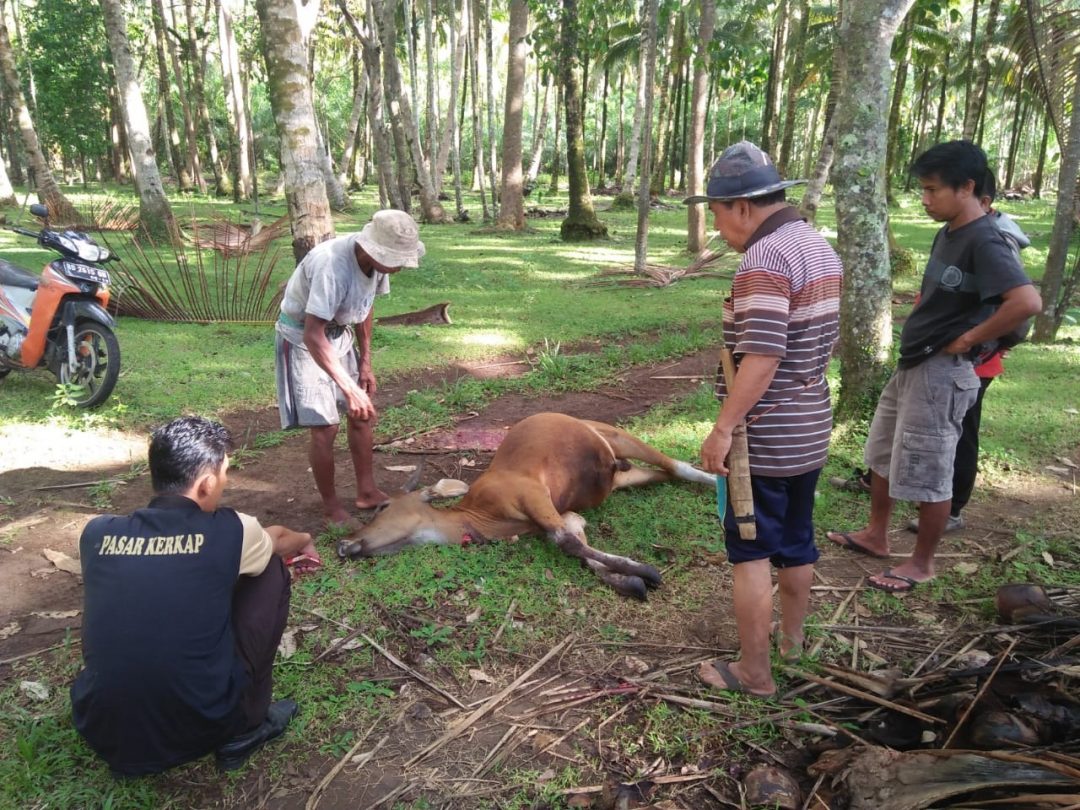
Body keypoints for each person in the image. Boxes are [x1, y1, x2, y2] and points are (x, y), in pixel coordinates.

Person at [827, 141, 1041, 593]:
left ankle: (921, 563)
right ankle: (876, 535)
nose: (925, 200)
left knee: (931, 468)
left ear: (966, 188)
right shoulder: (951, 232)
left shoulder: (986, 239)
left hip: (942, 373)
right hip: (914, 364)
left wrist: (966, 340)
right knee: (882, 452)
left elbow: (1026, 302)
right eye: (922, 190)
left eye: (932, 191)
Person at [71, 416, 317, 775]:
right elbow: (278, 540)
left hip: (101, 726)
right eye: (226, 472)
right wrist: (306, 539)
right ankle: (247, 725)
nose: (226, 481)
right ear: (205, 483)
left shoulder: (97, 533)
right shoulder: (232, 530)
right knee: (269, 569)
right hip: (205, 722)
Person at [686, 141, 843, 698]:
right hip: (811, 423)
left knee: (751, 549)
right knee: (797, 539)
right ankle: (792, 643)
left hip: (768, 435)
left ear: (743, 208)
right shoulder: (817, 247)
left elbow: (764, 356)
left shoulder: (764, 260)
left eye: (718, 214)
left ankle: (755, 673)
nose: (720, 227)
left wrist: (724, 428)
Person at [275, 210, 425, 529]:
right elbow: (312, 334)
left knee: (362, 414)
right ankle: (331, 508)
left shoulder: (377, 265)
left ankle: (366, 491)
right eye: (395, 259)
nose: (399, 266)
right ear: (373, 248)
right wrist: (348, 387)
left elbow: (366, 306)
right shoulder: (333, 265)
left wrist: (366, 362)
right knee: (325, 426)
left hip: (340, 335)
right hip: (304, 339)